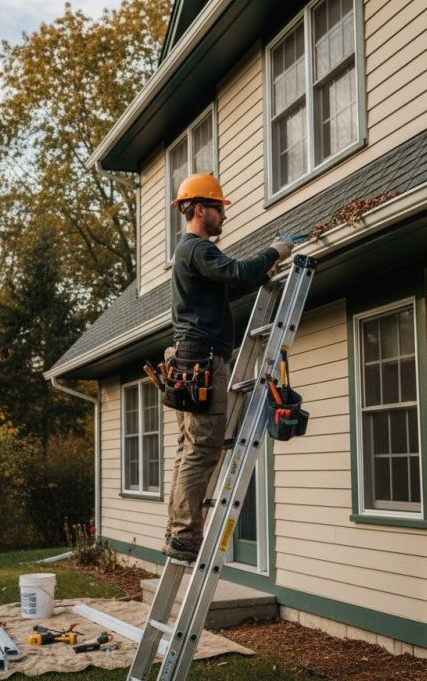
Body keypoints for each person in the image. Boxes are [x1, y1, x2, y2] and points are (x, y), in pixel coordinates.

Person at [162, 172, 292, 562]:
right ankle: (186, 536)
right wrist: (275, 252)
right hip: (201, 357)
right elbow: (235, 272)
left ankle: (177, 531)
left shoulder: (192, 256)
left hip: (189, 356)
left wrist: (263, 272)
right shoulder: (198, 249)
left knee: (190, 448)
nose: (223, 215)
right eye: (219, 207)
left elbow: (231, 285)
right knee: (202, 448)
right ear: (199, 209)